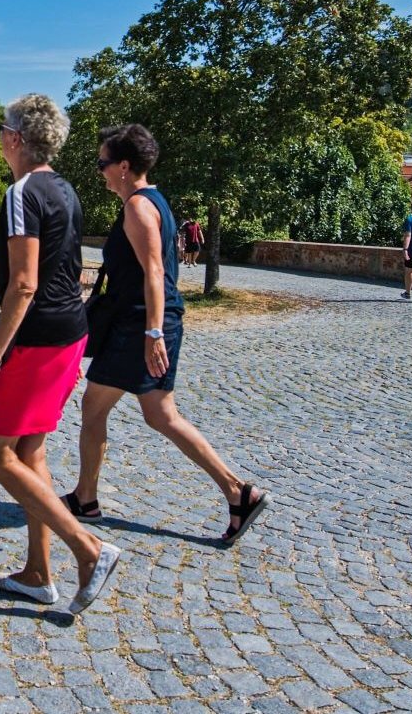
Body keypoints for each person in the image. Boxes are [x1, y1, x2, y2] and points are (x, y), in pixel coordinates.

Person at [61, 125, 269, 546]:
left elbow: (155, 272)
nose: (100, 171)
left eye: (103, 163)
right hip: (145, 323)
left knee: (102, 406)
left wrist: (153, 333)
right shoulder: (151, 201)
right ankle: (237, 494)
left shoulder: (139, 207)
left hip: (142, 325)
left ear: (123, 166)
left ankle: (88, 500)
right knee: (158, 415)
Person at [0, 94, 122, 615]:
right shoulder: (65, 188)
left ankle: (88, 549)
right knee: (31, 452)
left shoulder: (21, 193)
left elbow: (23, 283)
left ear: (16, 138)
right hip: (71, 333)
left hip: (36, 340)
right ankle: (38, 574)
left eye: (1, 128)